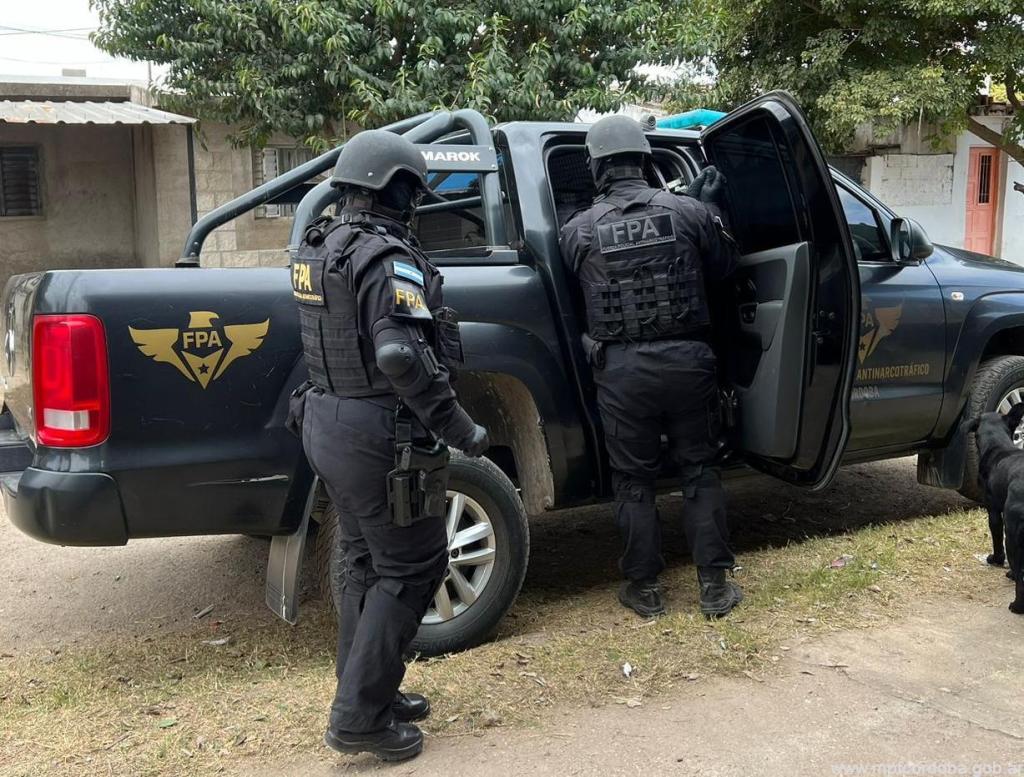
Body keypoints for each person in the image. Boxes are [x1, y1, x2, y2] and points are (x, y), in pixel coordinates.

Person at [289, 129, 489, 762]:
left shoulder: (319, 247)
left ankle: (369, 690)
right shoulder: (385, 258)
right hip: (376, 434)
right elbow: (400, 355)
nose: (415, 204)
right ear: (394, 189)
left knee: (364, 563)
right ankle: (359, 719)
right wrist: (460, 428)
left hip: (327, 421)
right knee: (412, 568)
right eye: (412, 191)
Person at [558, 115, 743, 619]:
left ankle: (644, 589)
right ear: (643, 158)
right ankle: (714, 587)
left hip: (622, 369)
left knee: (633, 481)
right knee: (699, 469)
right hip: (688, 361)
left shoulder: (577, 229)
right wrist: (711, 209)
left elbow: (574, 294)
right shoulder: (688, 212)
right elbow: (727, 268)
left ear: (597, 167)